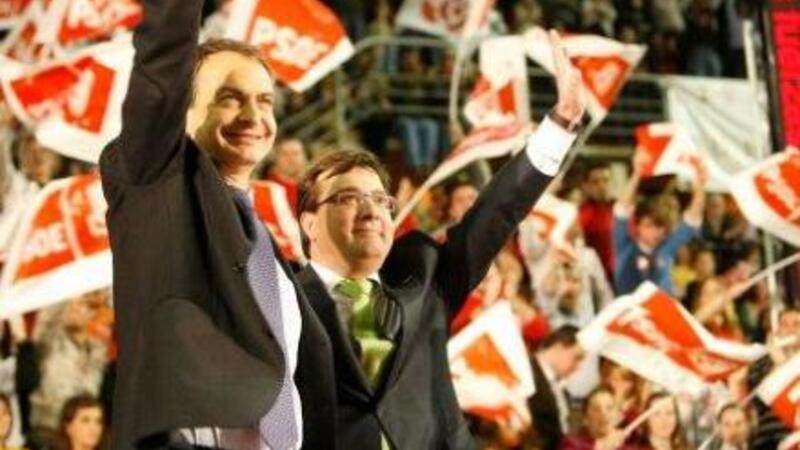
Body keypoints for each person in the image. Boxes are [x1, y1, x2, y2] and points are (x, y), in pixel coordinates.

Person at [294, 29, 585, 450]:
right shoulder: (277, 298)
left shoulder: (425, 276)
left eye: (380, 199)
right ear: (309, 223)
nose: (371, 210)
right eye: (349, 198)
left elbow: (495, 214)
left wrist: (559, 126)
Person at [99, 0, 333, 449]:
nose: (254, 117)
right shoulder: (156, 181)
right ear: (182, 112)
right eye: (229, 98)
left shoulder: (263, 242)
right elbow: (161, 67)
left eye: (264, 101)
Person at [613, 152, 706, 295]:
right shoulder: (625, 246)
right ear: (637, 226)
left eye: (660, 227)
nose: (655, 232)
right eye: (648, 225)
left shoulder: (667, 248)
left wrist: (700, 185)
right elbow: (621, 210)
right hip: (629, 306)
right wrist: (637, 174)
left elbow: (692, 219)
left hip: (662, 306)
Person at [528, 326, 587, 450]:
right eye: (577, 358)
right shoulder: (527, 375)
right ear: (559, 347)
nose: (578, 367)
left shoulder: (562, 390)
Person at [561, 386, 635, 450]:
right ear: (585, 419)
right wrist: (601, 447)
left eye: (609, 408)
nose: (604, 414)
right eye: (596, 409)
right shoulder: (572, 444)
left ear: (618, 416)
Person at [578, 162, 615, 284]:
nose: (602, 186)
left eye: (606, 180)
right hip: (595, 278)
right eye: (595, 182)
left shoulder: (621, 211)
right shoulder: (580, 215)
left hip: (622, 276)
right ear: (586, 186)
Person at [263, 138, 308, 213]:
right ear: (276, 158)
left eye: (296, 153)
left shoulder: (312, 187)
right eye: (285, 154)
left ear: (305, 157)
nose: (291, 159)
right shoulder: (265, 189)